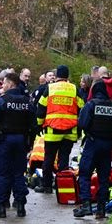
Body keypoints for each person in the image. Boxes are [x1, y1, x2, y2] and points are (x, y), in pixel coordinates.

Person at [0, 73, 36, 218]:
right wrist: (29, 143)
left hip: (5, 141)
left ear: (11, 84)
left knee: (2, 173)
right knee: (18, 173)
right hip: (21, 140)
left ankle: (1, 207)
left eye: (5, 84)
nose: (3, 86)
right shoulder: (28, 102)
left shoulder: (2, 101)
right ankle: (20, 205)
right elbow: (34, 126)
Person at [74, 80, 112, 218]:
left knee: (85, 174)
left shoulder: (91, 105)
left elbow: (82, 123)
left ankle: (86, 205)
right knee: (103, 177)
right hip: (107, 145)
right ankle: (101, 209)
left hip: (92, 143)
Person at [35, 65, 85, 194]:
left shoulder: (50, 88)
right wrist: (79, 128)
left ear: (56, 76)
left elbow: (41, 108)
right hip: (69, 131)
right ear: (67, 76)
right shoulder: (74, 89)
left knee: (49, 159)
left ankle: (46, 186)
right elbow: (82, 108)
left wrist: (39, 125)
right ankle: (61, 185)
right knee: (64, 159)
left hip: (52, 131)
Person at [87, 66, 112, 171]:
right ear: (108, 73)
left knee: (95, 150)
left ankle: (96, 171)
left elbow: (89, 101)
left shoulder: (97, 85)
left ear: (99, 73)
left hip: (98, 123)